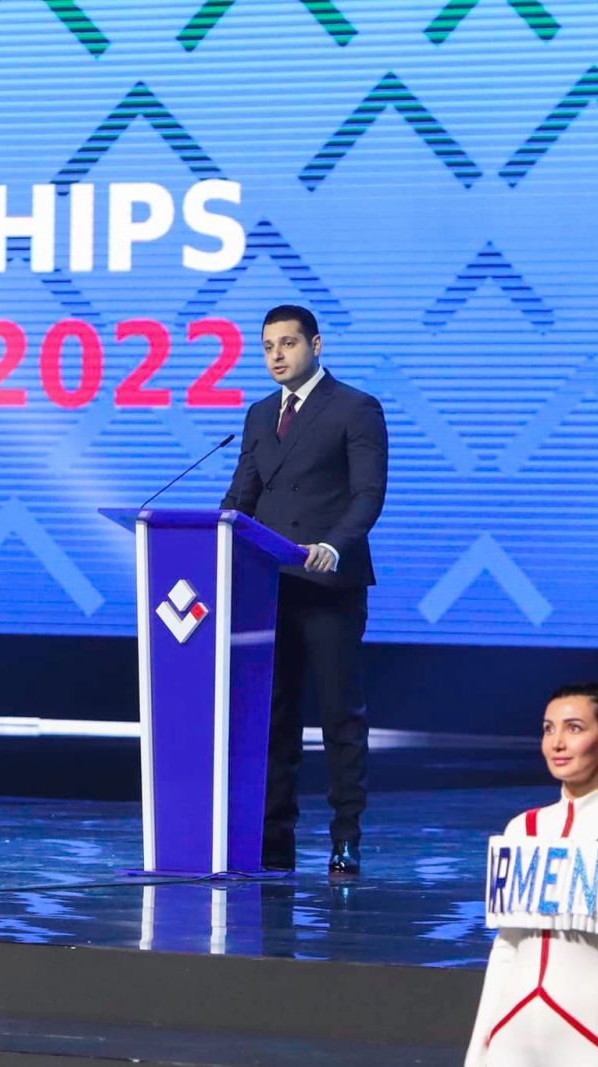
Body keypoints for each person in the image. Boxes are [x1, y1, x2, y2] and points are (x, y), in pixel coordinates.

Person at [219, 304, 388, 880]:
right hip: (269, 588)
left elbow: (367, 495)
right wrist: (213, 536)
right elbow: (241, 496)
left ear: (315, 345)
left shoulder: (355, 407)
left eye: (288, 344)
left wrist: (335, 544)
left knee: (340, 716)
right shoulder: (259, 414)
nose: (276, 356)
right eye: (268, 346)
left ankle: (346, 837)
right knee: (275, 716)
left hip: (329, 584)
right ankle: (273, 841)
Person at [466, 684, 598, 1067]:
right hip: (511, 1035)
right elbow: (505, 948)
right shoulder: (521, 829)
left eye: (574, 728)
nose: (557, 742)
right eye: (548, 729)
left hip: (590, 1039)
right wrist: (477, 1052)